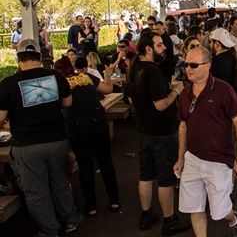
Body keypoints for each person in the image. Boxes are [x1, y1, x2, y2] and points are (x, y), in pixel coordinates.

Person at [0, 39, 83, 237]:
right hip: (57, 140)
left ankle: (49, 230)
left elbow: (1, 117)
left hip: (27, 145)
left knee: (36, 191)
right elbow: (68, 102)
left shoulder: (8, 83)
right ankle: (70, 220)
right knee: (59, 182)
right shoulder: (55, 76)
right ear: (39, 56)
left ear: (18, 58)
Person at [173, 46, 237, 237]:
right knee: (194, 207)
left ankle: (233, 220)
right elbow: (183, 126)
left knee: (220, 212)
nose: (188, 68)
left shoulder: (223, 90)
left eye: (193, 65)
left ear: (207, 66)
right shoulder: (185, 94)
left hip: (219, 160)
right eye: (186, 64)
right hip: (192, 159)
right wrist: (181, 158)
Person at [126, 32, 191, 235]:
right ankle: (169, 220)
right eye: (160, 45)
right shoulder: (152, 71)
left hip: (143, 130)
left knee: (146, 174)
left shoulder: (134, 68)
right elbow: (161, 104)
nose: (164, 48)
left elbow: (130, 100)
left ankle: (146, 215)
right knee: (165, 178)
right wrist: (176, 91)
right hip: (161, 132)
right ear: (148, 48)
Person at [56, 56, 120, 216]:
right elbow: (108, 89)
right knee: (105, 161)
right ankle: (114, 200)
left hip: (76, 127)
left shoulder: (59, 84)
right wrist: (107, 73)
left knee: (85, 165)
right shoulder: (86, 77)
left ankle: (91, 206)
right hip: (98, 121)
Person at [209, 28, 237, 94]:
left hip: (220, 100)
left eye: (210, 42)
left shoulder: (215, 62)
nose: (209, 45)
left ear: (216, 44)